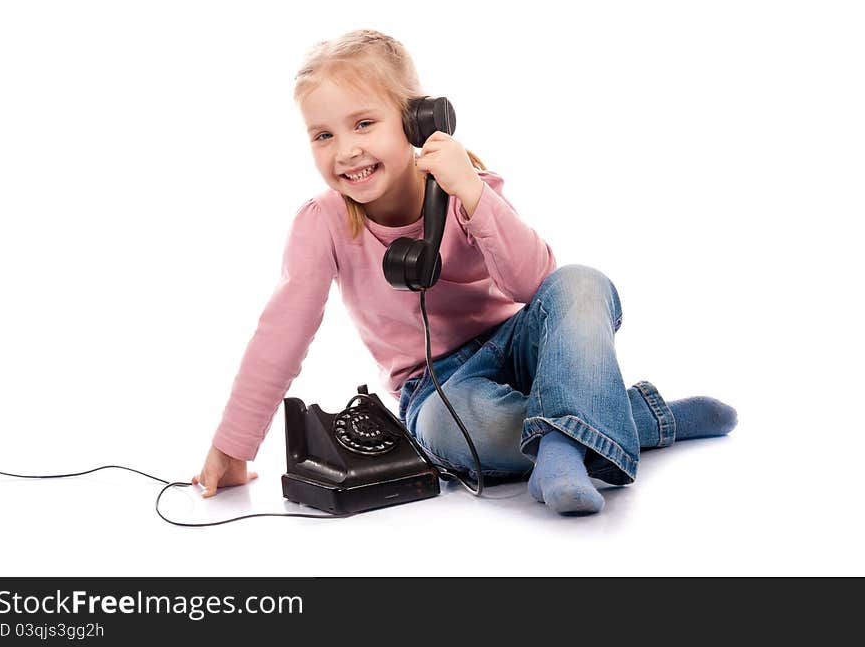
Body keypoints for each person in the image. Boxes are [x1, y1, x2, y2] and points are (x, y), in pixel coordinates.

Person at [192, 29, 738, 515]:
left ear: (413, 119)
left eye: (363, 123)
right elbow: (280, 335)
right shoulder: (323, 224)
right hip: (436, 388)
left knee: (582, 280)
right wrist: (232, 446)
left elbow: (535, 282)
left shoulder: (466, 184)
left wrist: (470, 193)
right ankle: (635, 420)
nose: (346, 150)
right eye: (323, 135)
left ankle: (565, 442)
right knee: (457, 434)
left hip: (522, 346)